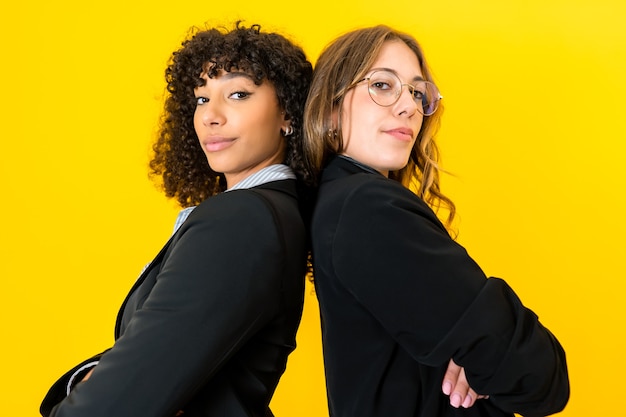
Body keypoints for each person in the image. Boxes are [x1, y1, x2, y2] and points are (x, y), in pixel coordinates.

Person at [40, 22, 313, 417]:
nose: (210, 117)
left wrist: (99, 387)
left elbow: (119, 401)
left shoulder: (242, 219)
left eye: (238, 94)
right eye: (201, 99)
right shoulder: (274, 213)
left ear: (287, 113)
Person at [303, 25, 569, 417]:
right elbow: (541, 378)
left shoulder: (337, 202)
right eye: (381, 85)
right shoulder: (368, 207)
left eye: (416, 92)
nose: (409, 107)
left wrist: (475, 356)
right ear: (329, 108)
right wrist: (484, 359)